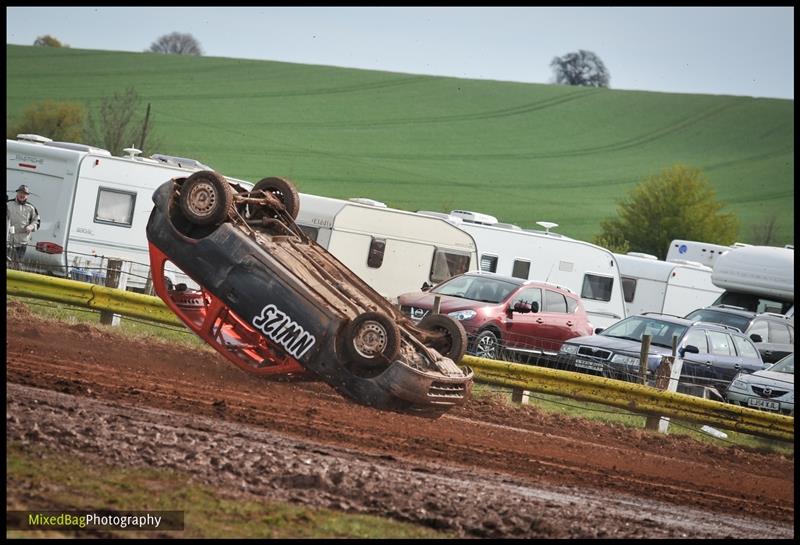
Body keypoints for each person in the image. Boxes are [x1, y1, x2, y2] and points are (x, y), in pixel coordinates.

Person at [6, 184, 40, 269]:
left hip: (22, 241)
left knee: (17, 264)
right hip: (8, 239)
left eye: (24, 193)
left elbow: (37, 221)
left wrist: (31, 227)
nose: (22, 195)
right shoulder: (8, 204)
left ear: (27, 196)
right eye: (21, 192)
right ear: (17, 193)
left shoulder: (31, 208)